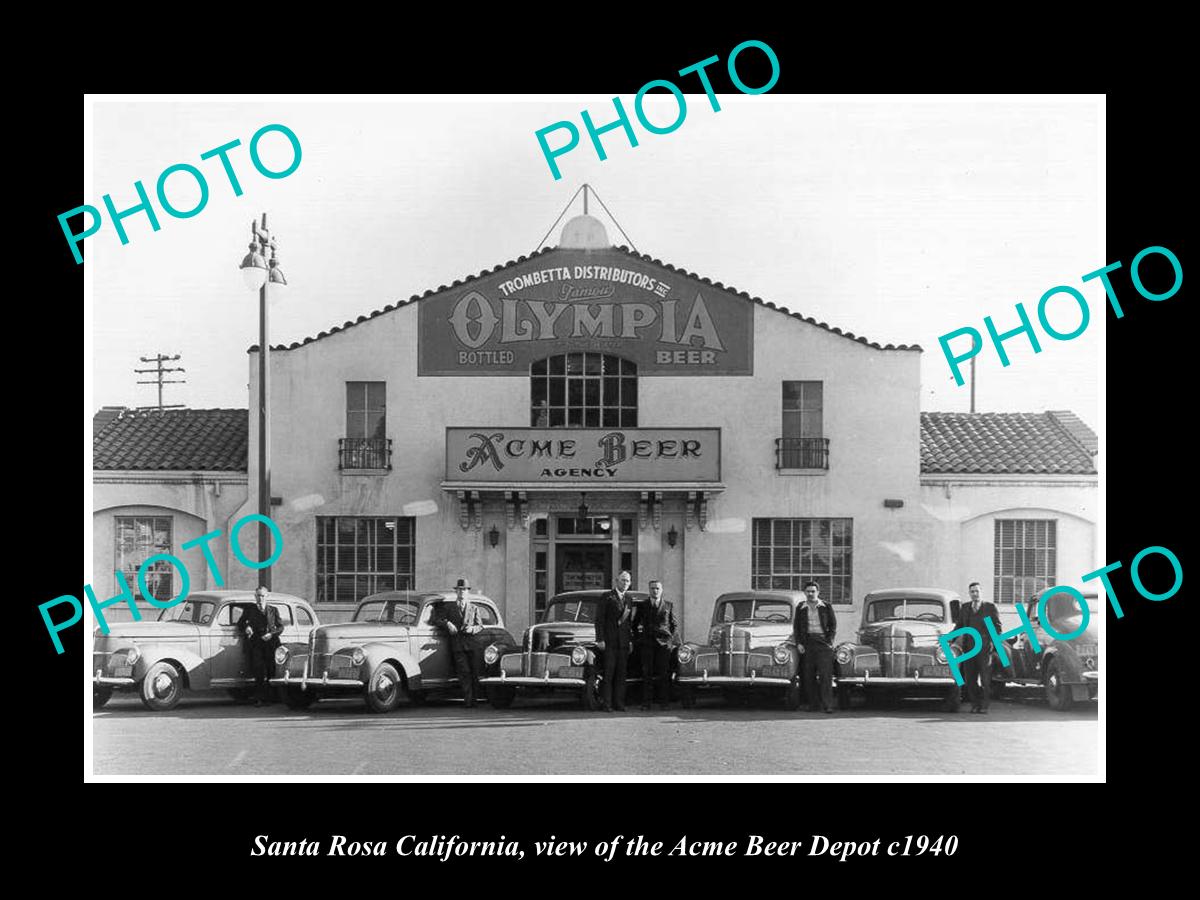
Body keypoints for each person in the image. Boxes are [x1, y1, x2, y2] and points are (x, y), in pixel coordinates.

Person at [431, 578, 484, 708]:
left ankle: (475, 699)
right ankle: (467, 700)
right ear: (456, 592)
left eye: (464, 590)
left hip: (472, 644)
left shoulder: (474, 608)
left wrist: (472, 629)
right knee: (464, 672)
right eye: (459, 590)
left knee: (474, 672)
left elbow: (480, 626)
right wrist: (447, 623)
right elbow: (437, 619)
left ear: (467, 592)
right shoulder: (449, 607)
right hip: (457, 645)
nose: (462, 592)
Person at [632, 579, 679, 710]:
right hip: (647, 644)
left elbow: (674, 624)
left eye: (657, 588)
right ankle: (646, 703)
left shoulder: (669, 605)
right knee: (647, 674)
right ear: (649, 590)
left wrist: (669, 640)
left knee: (664, 674)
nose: (655, 591)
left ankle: (664, 703)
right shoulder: (643, 605)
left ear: (661, 590)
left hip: (664, 645)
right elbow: (635, 624)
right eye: (653, 588)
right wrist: (639, 638)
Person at [955, 581, 1000, 714]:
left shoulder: (990, 607)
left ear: (981, 592)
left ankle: (984, 706)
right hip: (969, 649)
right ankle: (975, 705)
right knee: (970, 679)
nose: (975, 594)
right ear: (969, 593)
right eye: (972, 592)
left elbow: (997, 628)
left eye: (977, 591)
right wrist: (948, 639)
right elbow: (959, 626)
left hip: (985, 649)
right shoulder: (965, 608)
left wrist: (992, 644)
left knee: (986, 679)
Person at [235, 586, 284, 706]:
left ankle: (273, 698)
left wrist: (271, 634)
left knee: (271, 670)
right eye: (258, 595)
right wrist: (247, 627)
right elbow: (240, 623)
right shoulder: (249, 609)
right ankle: (260, 698)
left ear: (267, 596)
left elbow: (281, 627)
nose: (260, 598)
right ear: (255, 596)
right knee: (259, 671)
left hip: (271, 643)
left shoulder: (273, 610)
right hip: (256, 643)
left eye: (262, 595)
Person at [792, 580, 836, 713]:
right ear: (805, 593)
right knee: (808, 675)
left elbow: (833, 625)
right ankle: (813, 705)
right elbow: (797, 627)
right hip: (807, 643)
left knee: (825, 675)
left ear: (818, 592)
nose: (810, 594)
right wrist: (799, 643)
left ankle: (827, 705)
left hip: (823, 643)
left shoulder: (826, 606)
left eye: (813, 591)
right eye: (808, 591)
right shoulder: (800, 607)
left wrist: (830, 642)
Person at [595, 570, 635, 712]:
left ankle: (619, 703)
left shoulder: (629, 599)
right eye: (623, 580)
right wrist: (600, 639)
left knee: (621, 675)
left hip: (623, 643)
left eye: (628, 581)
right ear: (616, 581)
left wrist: (630, 641)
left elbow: (628, 623)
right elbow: (599, 620)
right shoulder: (607, 597)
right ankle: (607, 704)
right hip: (609, 642)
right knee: (609, 674)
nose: (625, 583)